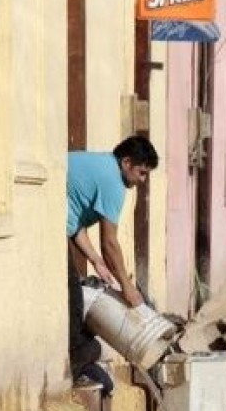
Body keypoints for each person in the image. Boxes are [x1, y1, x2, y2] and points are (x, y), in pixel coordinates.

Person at [66, 136, 159, 380]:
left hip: (60, 226)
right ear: (126, 162)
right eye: (141, 173)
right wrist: (128, 288)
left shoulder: (101, 165)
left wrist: (95, 259)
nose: (142, 180)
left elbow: (74, 220)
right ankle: (77, 368)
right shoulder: (113, 183)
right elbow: (110, 242)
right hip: (49, 228)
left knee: (73, 295)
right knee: (73, 301)